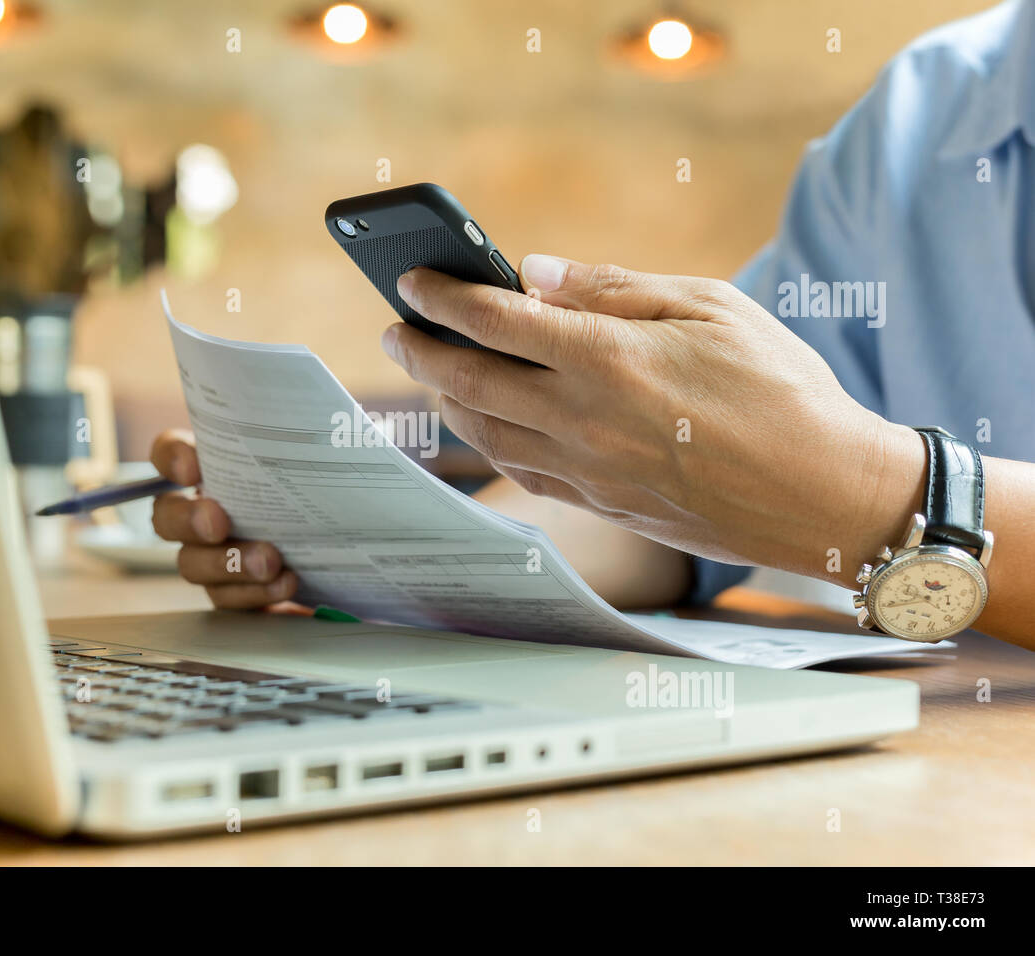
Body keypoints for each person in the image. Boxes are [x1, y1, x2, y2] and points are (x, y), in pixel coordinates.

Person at [148, 0, 1035, 650]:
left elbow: (812, 479)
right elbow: (679, 495)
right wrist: (386, 558)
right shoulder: (921, 111)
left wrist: (878, 494)